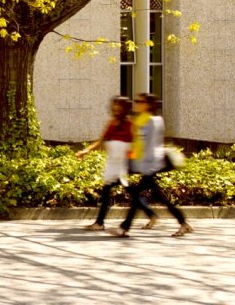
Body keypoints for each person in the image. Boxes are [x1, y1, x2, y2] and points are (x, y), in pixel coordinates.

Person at [114, 92, 192, 238]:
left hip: (151, 164)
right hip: (145, 164)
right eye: (136, 101)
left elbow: (152, 146)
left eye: (139, 101)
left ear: (148, 105)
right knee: (159, 197)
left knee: (137, 196)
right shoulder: (141, 120)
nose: (136, 103)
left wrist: (145, 167)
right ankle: (183, 223)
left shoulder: (154, 121)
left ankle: (124, 227)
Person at [77, 95, 133, 229]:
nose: (116, 108)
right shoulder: (112, 123)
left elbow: (136, 143)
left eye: (119, 106)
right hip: (113, 163)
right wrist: (86, 150)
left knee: (129, 193)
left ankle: (100, 223)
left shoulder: (130, 124)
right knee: (108, 191)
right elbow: (102, 140)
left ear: (125, 108)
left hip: (122, 164)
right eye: (115, 105)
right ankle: (100, 222)